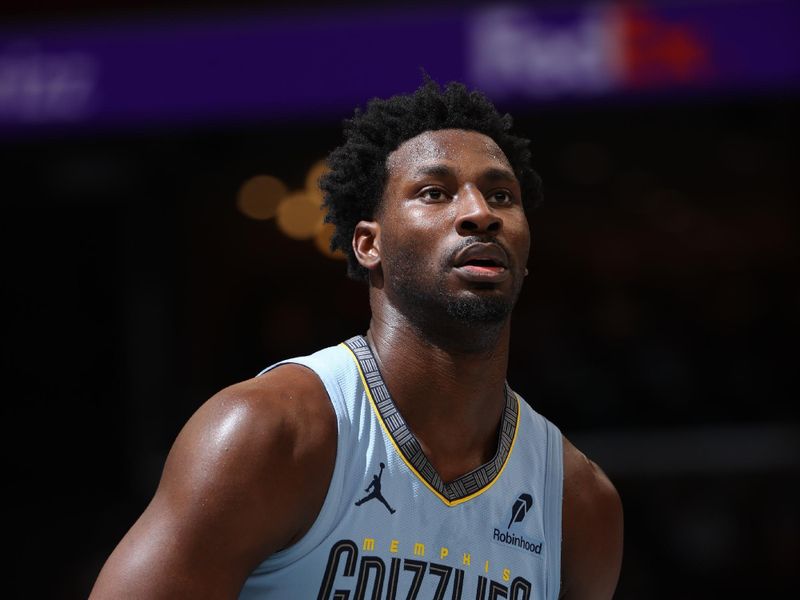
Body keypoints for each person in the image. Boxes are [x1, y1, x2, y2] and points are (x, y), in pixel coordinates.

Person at [90, 81, 623, 599]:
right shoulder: (269, 434)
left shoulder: (577, 501)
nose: (481, 213)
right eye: (434, 192)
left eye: (501, 195)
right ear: (370, 244)